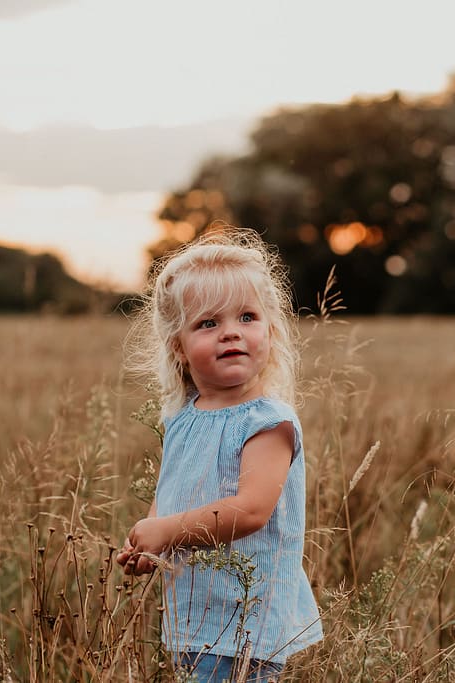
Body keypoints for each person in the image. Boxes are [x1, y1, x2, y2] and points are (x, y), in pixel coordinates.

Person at [116, 228, 323, 682]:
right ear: (178, 345)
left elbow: (251, 511)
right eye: (208, 323)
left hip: (245, 618)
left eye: (247, 317)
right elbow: (172, 493)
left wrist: (166, 531)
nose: (231, 332)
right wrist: (148, 541)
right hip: (193, 614)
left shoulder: (267, 422)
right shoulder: (182, 417)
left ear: (270, 330)